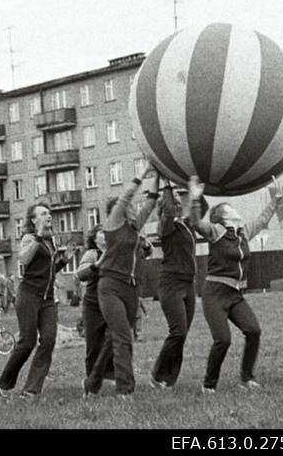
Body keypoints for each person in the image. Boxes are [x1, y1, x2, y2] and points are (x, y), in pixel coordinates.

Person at [188, 175, 283, 393]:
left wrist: (276, 200)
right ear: (223, 216)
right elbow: (196, 223)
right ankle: (208, 385)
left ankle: (246, 378)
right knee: (223, 340)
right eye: (231, 209)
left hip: (235, 295)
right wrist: (195, 199)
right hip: (215, 293)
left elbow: (262, 219)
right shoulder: (217, 232)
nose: (236, 211)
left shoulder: (243, 233)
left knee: (253, 330)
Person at [81, 163, 159, 398]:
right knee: (124, 337)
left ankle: (92, 384)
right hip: (110, 287)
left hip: (131, 289)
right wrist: (143, 172)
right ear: (121, 210)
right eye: (131, 207)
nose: (136, 209)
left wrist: (160, 178)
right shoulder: (113, 224)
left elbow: (152, 201)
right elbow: (126, 197)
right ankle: (126, 390)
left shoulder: (136, 230)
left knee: (115, 338)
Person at [0, 202, 77, 401]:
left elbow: (48, 272)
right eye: (43, 213)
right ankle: (3, 383)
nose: (48, 216)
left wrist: (64, 260)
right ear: (33, 220)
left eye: (49, 213)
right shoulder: (29, 238)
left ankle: (31, 390)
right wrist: (38, 236)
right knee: (27, 341)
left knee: (48, 341)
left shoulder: (51, 240)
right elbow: (24, 260)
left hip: (47, 298)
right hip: (29, 295)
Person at [150, 185, 208, 389]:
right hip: (171, 284)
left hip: (188, 284)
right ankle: (157, 376)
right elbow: (166, 211)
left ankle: (169, 380)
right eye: (172, 203)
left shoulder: (186, 224)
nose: (175, 206)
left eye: (177, 203)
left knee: (182, 335)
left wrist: (196, 191)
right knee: (178, 331)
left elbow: (203, 207)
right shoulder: (165, 227)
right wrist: (167, 186)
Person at [76, 224, 116, 382]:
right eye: (101, 232)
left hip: (112, 301)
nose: (105, 234)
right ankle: (92, 378)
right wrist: (98, 263)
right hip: (93, 303)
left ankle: (111, 374)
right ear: (94, 238)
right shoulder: (92, 253)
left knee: (113, 338)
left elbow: (142, 254)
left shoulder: (116, 252)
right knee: (94, 343)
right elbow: (81, 274)